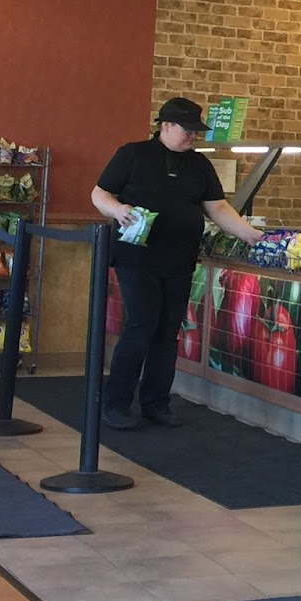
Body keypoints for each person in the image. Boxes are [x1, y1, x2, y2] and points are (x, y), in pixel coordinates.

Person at [91, 97, 262, 430]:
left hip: (180, 260)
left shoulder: (199, 164)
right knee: (140, 326)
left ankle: (156, 404)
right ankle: (116, 404)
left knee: (168, 332)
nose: (193, 136)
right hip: (136, 258)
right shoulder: (132, 154)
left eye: (196, 131)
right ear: (165, 126)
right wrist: (118, 210)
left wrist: (251, 235)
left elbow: (218, 208)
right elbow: (99, 193)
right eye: (188, 130)